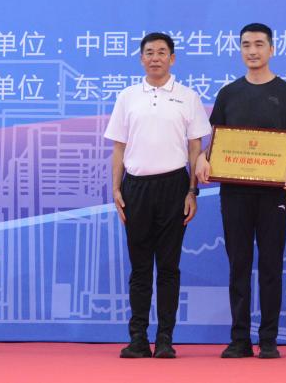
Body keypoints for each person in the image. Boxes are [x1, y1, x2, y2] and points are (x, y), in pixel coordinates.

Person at [195, 23, 286, 359]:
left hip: (274, 193)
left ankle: (269, 339)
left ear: (272, 49)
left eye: (259, 44)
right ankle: (239, 339)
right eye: (246, 45)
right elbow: (216, 143)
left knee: (271, 264)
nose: (252, 51)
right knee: (239, 264)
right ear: (240, 50)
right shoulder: (228, 93)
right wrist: (202, 158)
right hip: (234, 192)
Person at [105, 32, 211, 359]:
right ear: (141, 59)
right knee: (139, 268)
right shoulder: (127, 97)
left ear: (172, 58)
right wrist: (116, 188)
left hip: (174, 187)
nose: (155, 58)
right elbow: (119, 148)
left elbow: (195, 148)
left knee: (168, 267)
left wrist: (192, 191)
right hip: (136, 187)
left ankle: (165, 338)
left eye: (162, 52)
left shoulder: (188, 97)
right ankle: (138, 338)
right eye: (149, 52)